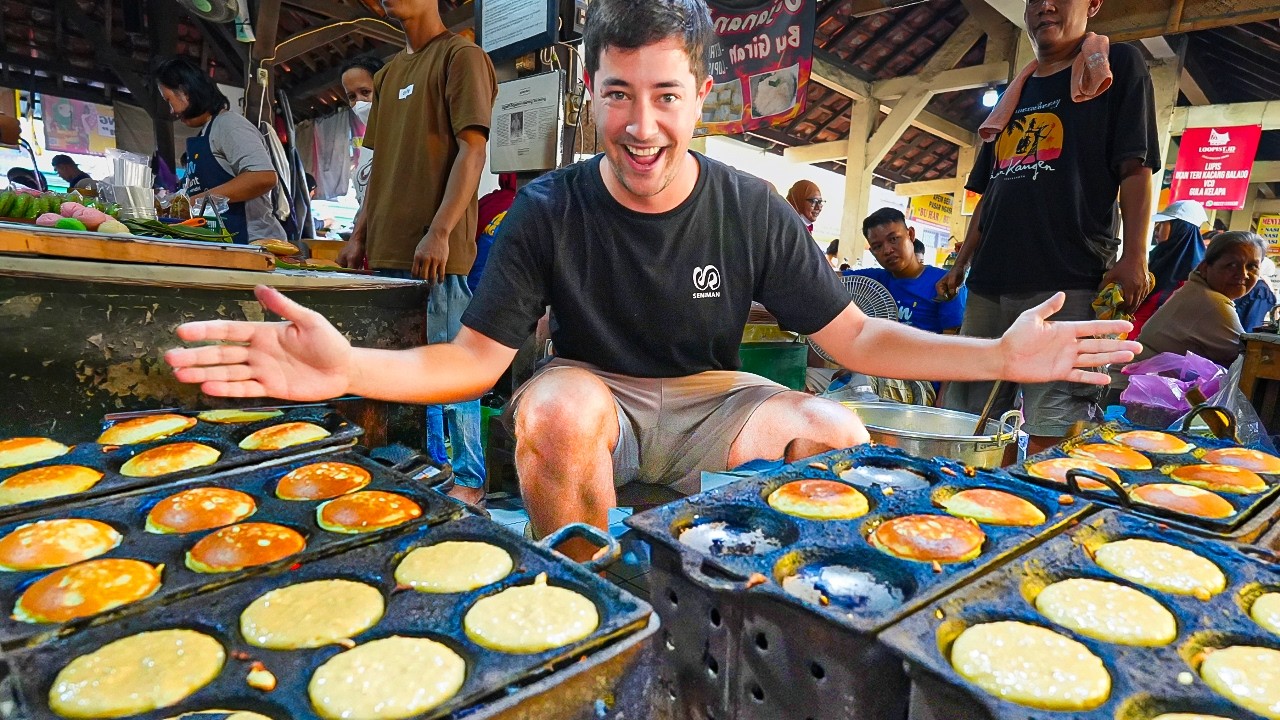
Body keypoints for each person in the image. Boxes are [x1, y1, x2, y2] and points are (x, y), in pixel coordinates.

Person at [165, 0, 1139, 561]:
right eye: (619, 95)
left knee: (831, 426)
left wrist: (994, 351)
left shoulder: (748, 207)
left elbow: (856, 342)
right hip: (598, 393)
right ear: (592, 97)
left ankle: (740, 596)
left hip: (714, 400)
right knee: (548, 410)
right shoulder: (548, 208)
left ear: (698, 99)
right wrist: (348, 368)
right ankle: (588, 595)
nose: (641, 125)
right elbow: (471, 359)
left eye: (665, 96)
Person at [936, 0, 1159, 454]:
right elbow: (993, 188)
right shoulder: (1014, 94)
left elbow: (1135, 167)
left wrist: (1135, 255)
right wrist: (960, 265)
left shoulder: (1117, 65)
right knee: (965, 421)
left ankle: (1038, 512)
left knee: (1054, 425)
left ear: (1094, 4)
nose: (1046, 6)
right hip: (989, 283)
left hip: (1067, 281)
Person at [335, 0, 497, 503]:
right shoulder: (388, 76)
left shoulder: (461, 57)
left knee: (450, 373)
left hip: (435, 253)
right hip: (385, 250)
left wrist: (442, 230)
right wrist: (359, 231)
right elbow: (377, 162)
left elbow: (473, 149)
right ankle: (424, 478)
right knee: (404, 378)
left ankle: (468, 483)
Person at [155, 57, 286, 245]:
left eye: (169, 100)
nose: (171, 111)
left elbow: (263, 177)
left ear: (186, 92)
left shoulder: (229, 125)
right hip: (225, 242)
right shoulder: (208, 132)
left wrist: (195, 202)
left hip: (251, 244)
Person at [1133, 232, 1264, 368]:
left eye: (1252, 266)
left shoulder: (1196, 289)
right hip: (1133, 385)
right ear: (1205, 268)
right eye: (1231, 265)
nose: (1243, 274)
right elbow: (1250, 361)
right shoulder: (1212, 303)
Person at [849, 208, 966, 334]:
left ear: (910, 234)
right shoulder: (871, 281)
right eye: (877, 246)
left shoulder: (944, 283)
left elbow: (951, 340)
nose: (887, 250)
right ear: (872, 252)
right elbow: (827, 277)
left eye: (893, 239)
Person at [1130, 199, 1206, 336]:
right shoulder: (1158, 258)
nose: (1156, 229)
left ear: (1179, 228)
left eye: (1164, 224)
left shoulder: (1192, 277)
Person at [340, 55, 384, 206]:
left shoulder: (404, 135)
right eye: (352, 96)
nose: (359, 102)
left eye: (365, 92)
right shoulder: (367, 145)